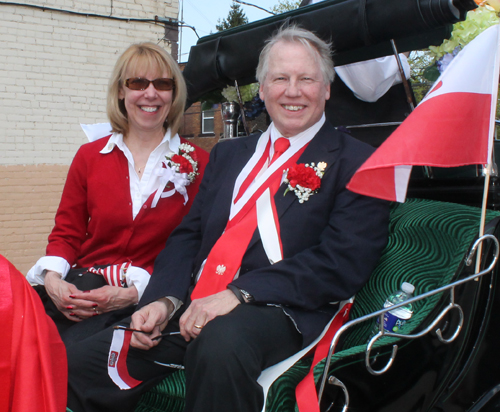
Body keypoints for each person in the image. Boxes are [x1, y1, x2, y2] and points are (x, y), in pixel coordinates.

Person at [65, 26, 390, 412]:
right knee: (77, 363)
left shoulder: (359, 161)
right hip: (193, 301)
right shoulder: (228, 154)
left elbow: (342, 262)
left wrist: (239, 294)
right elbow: (188, 236)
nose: (292, 91)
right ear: (262, 88)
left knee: (219, 343)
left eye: (306, 79)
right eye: (280, 78)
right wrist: (164, 300)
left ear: (327, 89)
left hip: (279, 309)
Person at [26, 42, 209, 345]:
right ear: (121, 91)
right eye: (137, 82)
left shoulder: (200, 164)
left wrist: (135, 292)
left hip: (144, 303)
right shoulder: (89, 156)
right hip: (81, 291)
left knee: (67, 361)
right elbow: (67, 232)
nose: (150, 94)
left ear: (173, 94)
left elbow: (196, 250)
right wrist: (53, 280)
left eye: (162, 83)